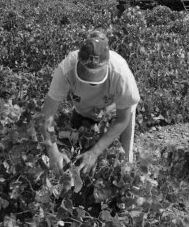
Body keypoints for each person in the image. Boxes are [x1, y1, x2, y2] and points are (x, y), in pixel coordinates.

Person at [41, 30, 141, 175]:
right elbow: (46, 116)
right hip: (84, 107)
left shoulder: (121, 74)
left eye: (96, 73)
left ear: (107, 65)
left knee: (124, 162)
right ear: (79, 62)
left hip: (116, 108)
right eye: (87, 72)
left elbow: (122, 119)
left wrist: (95, 152)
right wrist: (52, 150)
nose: (92, 79)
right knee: (78, 147)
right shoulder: (66, 69)